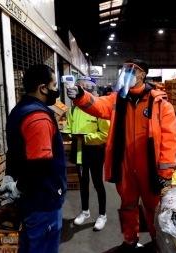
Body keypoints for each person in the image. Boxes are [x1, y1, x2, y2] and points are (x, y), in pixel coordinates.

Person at [66, 59, 176, 252]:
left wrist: (166, 171)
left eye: (130, 71)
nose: (125, 74)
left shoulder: (160, 104)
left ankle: (156, 242)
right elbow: (98, 105)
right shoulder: (118, 99)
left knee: (153, 208)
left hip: (149, 166)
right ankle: (130, 241)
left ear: (142, 75)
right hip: (125, 165)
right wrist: (80, 96)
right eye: (125, 70)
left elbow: (170, 138)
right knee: (128, 206)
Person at [0, 64, 67, 253]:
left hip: (32, 201)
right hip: (42, 201)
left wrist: (10, 178)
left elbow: (14, 151)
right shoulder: (39, 117)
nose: (56, 90)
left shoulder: (20, 110)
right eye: (54, 85)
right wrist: (18, 189)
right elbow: (40, 165)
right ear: (43, 88)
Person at [63, 76, 110, 231]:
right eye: (79, 86)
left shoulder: (99, 109)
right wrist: (67, 134)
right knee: (83, 183)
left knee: (97, 183)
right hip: (79, 151)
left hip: (95, 151)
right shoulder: (73, 110)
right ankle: (85, 211)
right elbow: (69, 128)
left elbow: (106, 133)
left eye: (84, 87)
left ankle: (102, 214)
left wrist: (86, 138)